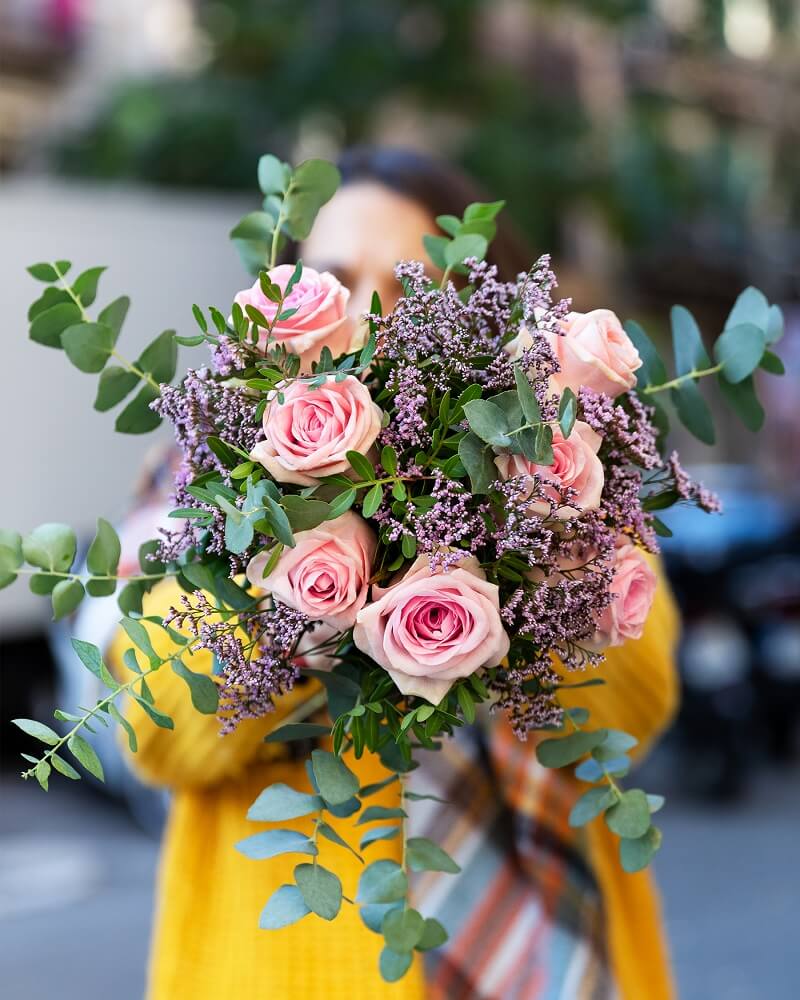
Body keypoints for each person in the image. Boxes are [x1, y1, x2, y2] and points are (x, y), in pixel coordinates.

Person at [108, 147, 679, 1000]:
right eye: (332, 277)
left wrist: (521, 535)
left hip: (556, 954)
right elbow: (151, 726)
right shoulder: (198, 478)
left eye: (412, 286)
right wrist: (310, 571)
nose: (365, 311)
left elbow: (638, 703)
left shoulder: (572, 473)